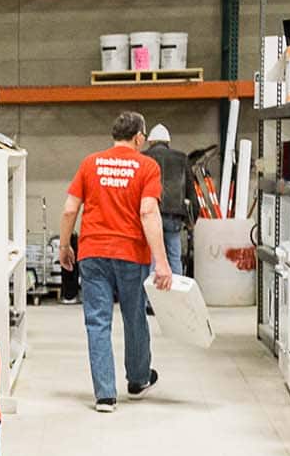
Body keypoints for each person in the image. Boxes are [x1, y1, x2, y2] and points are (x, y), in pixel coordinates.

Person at [59, 110, 173, 413]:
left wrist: (64, 245)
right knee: (134, 317)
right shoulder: (147, 166)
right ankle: (137, 380)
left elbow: (70, 209)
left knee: (97, 322)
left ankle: (105, 395)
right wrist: (162, 262)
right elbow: (148, 213)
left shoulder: (90, 163)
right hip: (130, 255)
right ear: (138, 137)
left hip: (92, 252)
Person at [142, 123, 195, 276]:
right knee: (174, 257)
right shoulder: (181, 158)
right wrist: (191, 219)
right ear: (168, 142)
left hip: (150, 214)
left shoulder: (143, 158)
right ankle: (175, 296)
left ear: (150, 142)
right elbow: (190, 190)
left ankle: (152, 298)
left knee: (152, 258)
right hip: (174, 216)